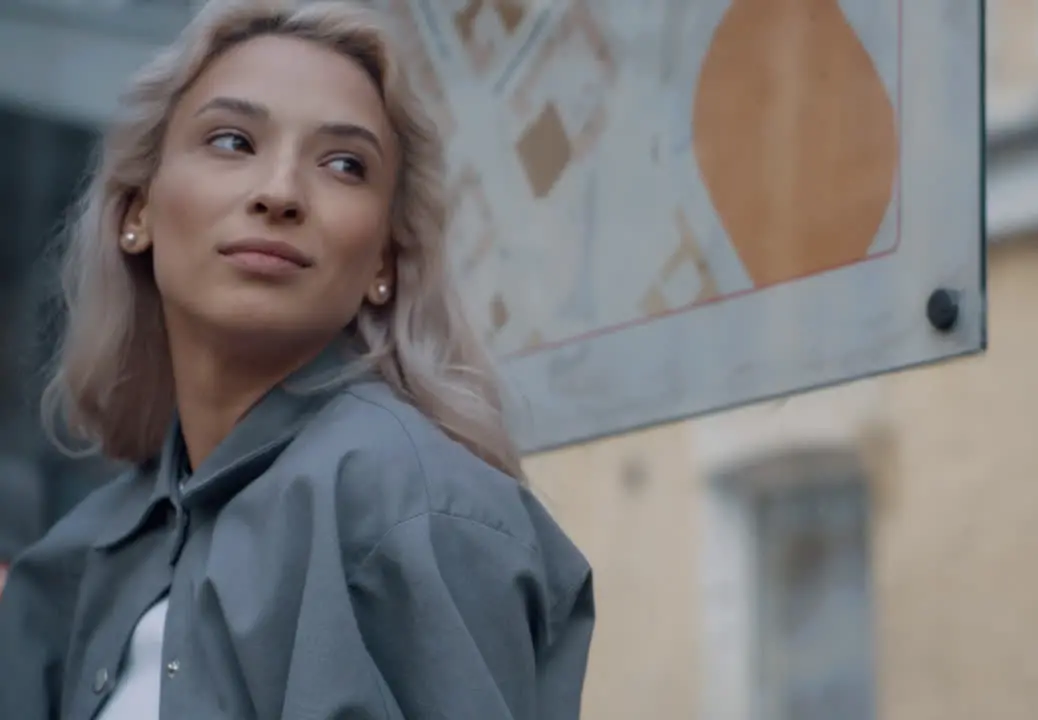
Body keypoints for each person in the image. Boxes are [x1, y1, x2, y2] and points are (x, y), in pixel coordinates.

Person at [0, 0, 595, 718]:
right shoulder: (78, 558)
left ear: (384, 256)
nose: (280, 193)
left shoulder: (412, 508)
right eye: (231, 141)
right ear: (137, 212)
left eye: (345, 164)